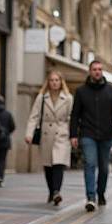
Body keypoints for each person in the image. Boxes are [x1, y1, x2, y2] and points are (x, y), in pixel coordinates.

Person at [70, 60, 112, 212]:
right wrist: (73, 134)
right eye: (94, 69)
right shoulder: (81, 91)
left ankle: (101, 193)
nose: (97, 72)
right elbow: (75, 115)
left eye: (100, 69)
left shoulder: (111, 91)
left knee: (104, 168)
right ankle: (90, 197)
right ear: (90, 71)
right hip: (88, 134)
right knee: (90, 164)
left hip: (106, 135)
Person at [25, 71, 73, 205]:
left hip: (62, 134)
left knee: (58, 164)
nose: (54, 82)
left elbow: (72, 117)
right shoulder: (42, 98)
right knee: (48, 166)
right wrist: (29, 134)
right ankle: (51, 192)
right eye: (52, 80)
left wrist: (72, 134)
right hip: (46, 134)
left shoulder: (68, 98)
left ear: (61, 81)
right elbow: (33, 116)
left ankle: (57, 191)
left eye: (57, 80)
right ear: (48, 82)